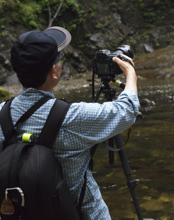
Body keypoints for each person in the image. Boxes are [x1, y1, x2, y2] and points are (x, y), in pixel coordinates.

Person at [0, 26, 140, 220]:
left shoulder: (2, 114)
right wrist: (131, 73)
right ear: (54, 72)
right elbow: (128, 110)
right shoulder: (72, 117)